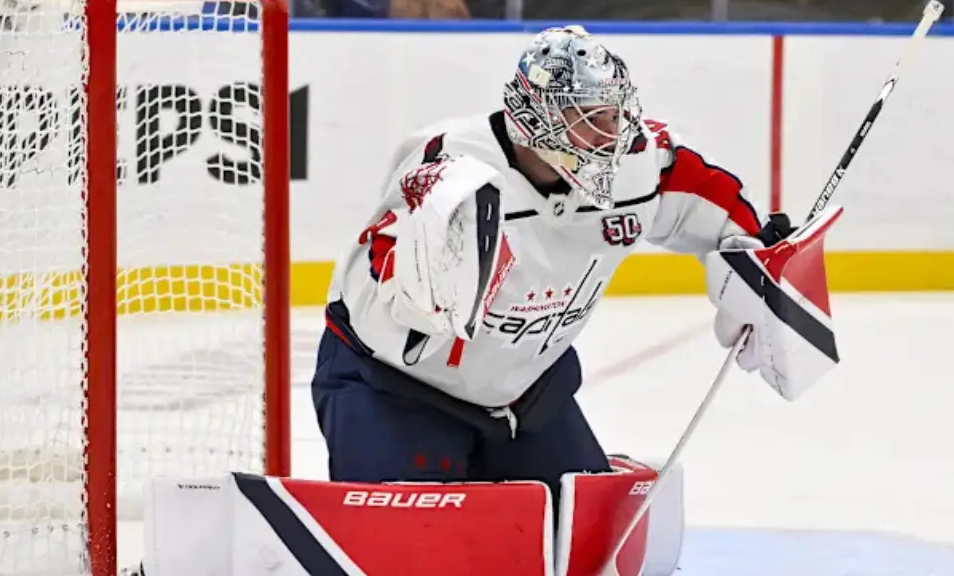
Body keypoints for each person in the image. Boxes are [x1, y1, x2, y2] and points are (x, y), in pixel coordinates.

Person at [311, 25, 824, 506]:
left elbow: (707, 196)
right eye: (591, 117)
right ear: (538, 119)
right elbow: (392, 269)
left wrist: (760, 257)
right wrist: (435, 273)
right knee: (408, 552)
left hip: (528, 396)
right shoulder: (453, 174)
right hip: (394, 389)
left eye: (615, 112)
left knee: (583, 541)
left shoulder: (636, 162)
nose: (614, 132)